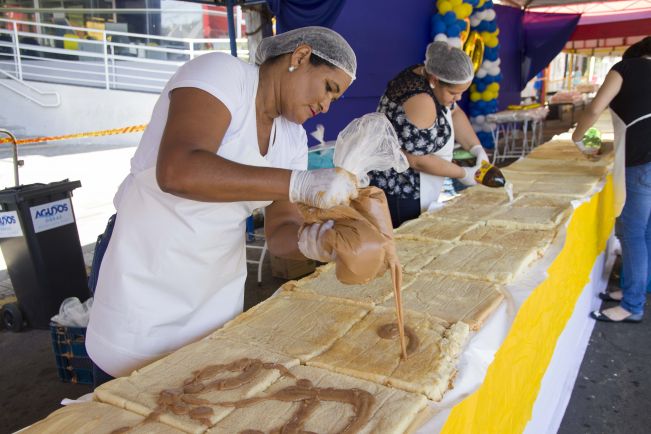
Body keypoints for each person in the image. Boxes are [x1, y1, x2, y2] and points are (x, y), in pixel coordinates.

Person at [85, 26, 359, 385]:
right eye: (328, 88)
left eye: (334, 100)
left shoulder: (292, 140)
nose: (325, 106)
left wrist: (317, 242)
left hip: (214, 296)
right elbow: (178, 169)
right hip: (146, 281)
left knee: (199, 393)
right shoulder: (223, 76)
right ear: (300, 56)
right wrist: (298, 183)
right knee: (128, 399)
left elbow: (280, 231)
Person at [572, 36, 651, 323]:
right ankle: (637, 289)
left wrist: (578, 136)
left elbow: (595, 108)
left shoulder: (625, 69)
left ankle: (632, 305)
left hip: (642, 162)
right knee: (647, 231)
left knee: (633, 233)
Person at [368, 41, 489, 228]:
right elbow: (417, 160)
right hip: (403, 191)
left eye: (462, 93)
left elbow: (454, 112)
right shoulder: (421, 101)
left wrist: (476, 148)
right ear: (434, 80)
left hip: (420, 185)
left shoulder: (430, 78)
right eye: (454, 93)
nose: (458, 98)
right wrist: (463, 173)